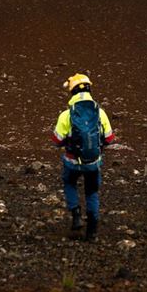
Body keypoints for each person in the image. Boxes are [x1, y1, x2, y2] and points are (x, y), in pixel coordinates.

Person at [52, 74, 115, 241]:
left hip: (72, 161)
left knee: (69, 183)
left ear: (72, 92)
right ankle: (92, 231)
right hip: (93, 162)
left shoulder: (66, 115)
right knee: (92, 192)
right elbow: (109, 138)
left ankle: (76, 214)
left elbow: (57, 140)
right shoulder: (100, 113)